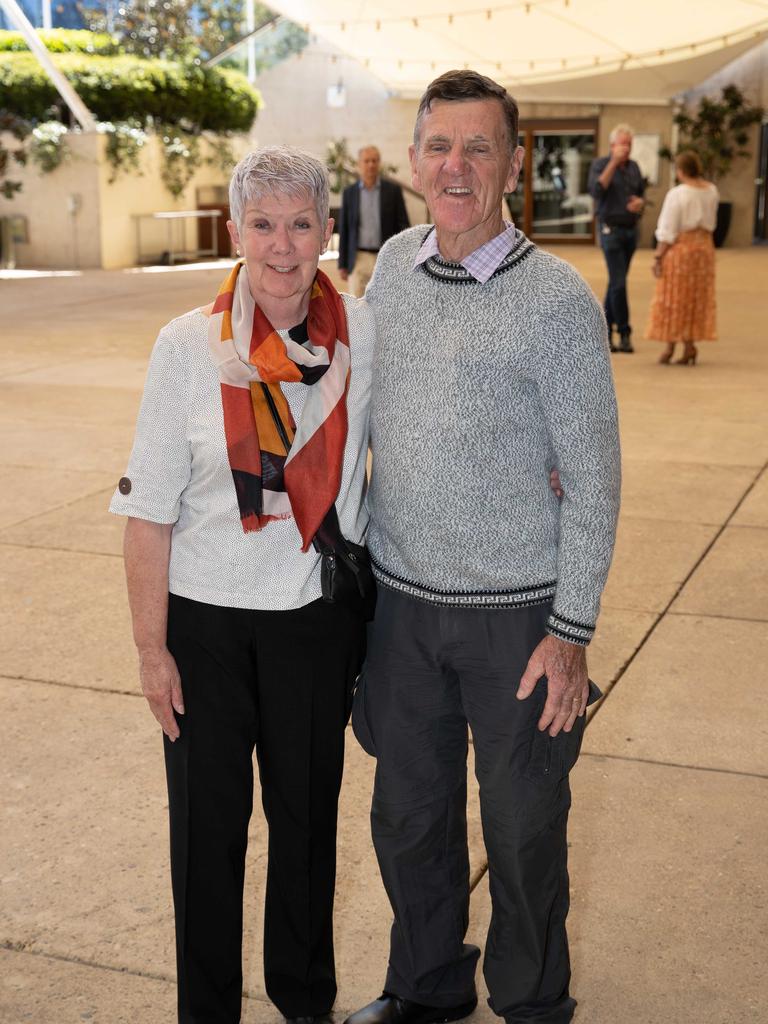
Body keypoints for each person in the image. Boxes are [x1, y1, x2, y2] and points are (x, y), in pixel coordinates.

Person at [345, 71, 621, 1024]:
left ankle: (533, 1002)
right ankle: (425, 988)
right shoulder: (389, 269)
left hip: (519, 623)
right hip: (403, 614)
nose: (456, 167)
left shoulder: (559, 301)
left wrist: (571, 629)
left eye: (478, 147)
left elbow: (592, 477)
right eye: (439, 147)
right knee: (409, 822)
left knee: (522, 831)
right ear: (416, 160)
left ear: (512, 161)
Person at [109, 145, 376, 1024]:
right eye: (263, 224)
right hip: (203, 626)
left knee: (305, 835)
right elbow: (148, 506)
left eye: (302, 223)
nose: (283, 246)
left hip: (309, 623)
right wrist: (152, 650)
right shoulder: (186, 346)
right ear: (235, 232)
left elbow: (434, 431)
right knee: (206, 839)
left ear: (328, 230)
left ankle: (306, 1005)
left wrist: (541, 467)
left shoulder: (363, 335)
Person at [646, 150, 719, 365]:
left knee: (674, 297)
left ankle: (670, 346)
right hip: (704, 249)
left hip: (682, 251)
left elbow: (668, 228)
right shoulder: (711, 191)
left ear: (680, 171)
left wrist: (658, 256)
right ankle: (689, 345)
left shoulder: (678, 194)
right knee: (696, 298)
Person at [588, 124, 646, 353]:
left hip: (631, 230)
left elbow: (641, 193)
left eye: (629, 144)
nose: (627, 149)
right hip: (610, 230)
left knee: (616, 282)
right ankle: (624, 332)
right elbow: (596, 191)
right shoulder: (601, 165)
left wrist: (639, 204)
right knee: (619, 283)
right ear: (612, 146)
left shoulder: (634, 168)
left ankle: (605, 332)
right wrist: (613, 163)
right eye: (623, 144)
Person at [337, 145, 410, 297]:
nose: (371, 164)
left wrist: (403, 258)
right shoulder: (349, 193)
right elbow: (344, 229)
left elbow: (403, 226)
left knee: (384, 302)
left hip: (384, 257)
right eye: (367, 161)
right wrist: (342, 263)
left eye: (374, 161)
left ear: (379, 163)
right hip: (358, 258)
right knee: (357, 304)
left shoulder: (393, 191)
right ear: (359, 164)